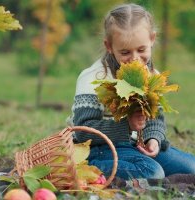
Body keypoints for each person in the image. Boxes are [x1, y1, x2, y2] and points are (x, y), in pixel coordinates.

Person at [69, 3, 195, 180]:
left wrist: (153, 139)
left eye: (141, 50)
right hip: (99, 148)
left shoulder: (151, 76)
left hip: (137, 146)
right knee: (153, 173)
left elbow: (155, 117)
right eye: (125, 52)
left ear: (152, 39)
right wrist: (127, 125)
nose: (135, 58)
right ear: (109, 46)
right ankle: (83, 167)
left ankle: (140, 167)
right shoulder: (94, 78)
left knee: (191, 167)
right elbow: (82, 131)